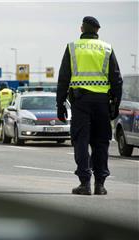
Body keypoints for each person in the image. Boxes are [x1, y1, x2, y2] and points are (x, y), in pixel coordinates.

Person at [56, 16, 123, 195]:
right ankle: (100, 185)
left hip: (80, 103)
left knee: (81, 141)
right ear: (97, 31)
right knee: (101, 142)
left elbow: (63, 78)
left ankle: (84, 183)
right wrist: (116, 104)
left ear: (81, 29)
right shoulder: (107, 48)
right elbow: (116, 79)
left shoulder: (72, 47)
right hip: (102, 103)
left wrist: (60, 104)